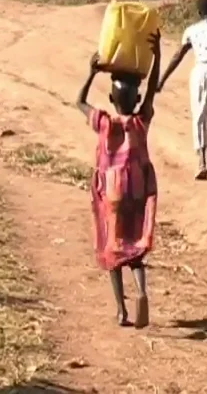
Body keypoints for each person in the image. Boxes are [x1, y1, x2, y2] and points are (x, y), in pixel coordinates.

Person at [76, 30, 161, 328]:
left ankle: (121, 311)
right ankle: (141, 291)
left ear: (111, 98)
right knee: (135, 248)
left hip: (111, 192)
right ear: (136, 99)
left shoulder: (104, 123)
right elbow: (152, 90)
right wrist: (157, 55)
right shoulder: (140, 121)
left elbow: (79, 101)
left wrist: (91, 72)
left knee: (114, 249)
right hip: (137, 192)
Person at [158, 0, 207, 180]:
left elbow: (178, 55)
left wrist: (162, 80)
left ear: (199, 12)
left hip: (201, 71)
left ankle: (201, 162)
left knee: (200, 114)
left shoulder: (192, 30)